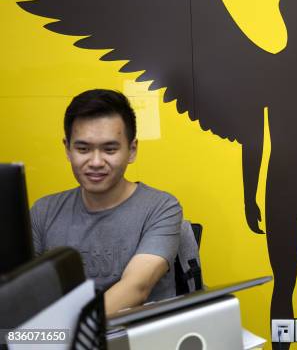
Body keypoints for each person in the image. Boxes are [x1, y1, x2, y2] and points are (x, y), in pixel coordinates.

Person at [30, 89, 183, 314]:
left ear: (132, 150)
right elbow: (19, 291)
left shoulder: (161, 208)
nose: (96, 162)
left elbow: (135, 288)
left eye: (109, 149)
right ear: (67, 149)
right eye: (83, 149)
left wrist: (62, 332)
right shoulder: (43, 212)